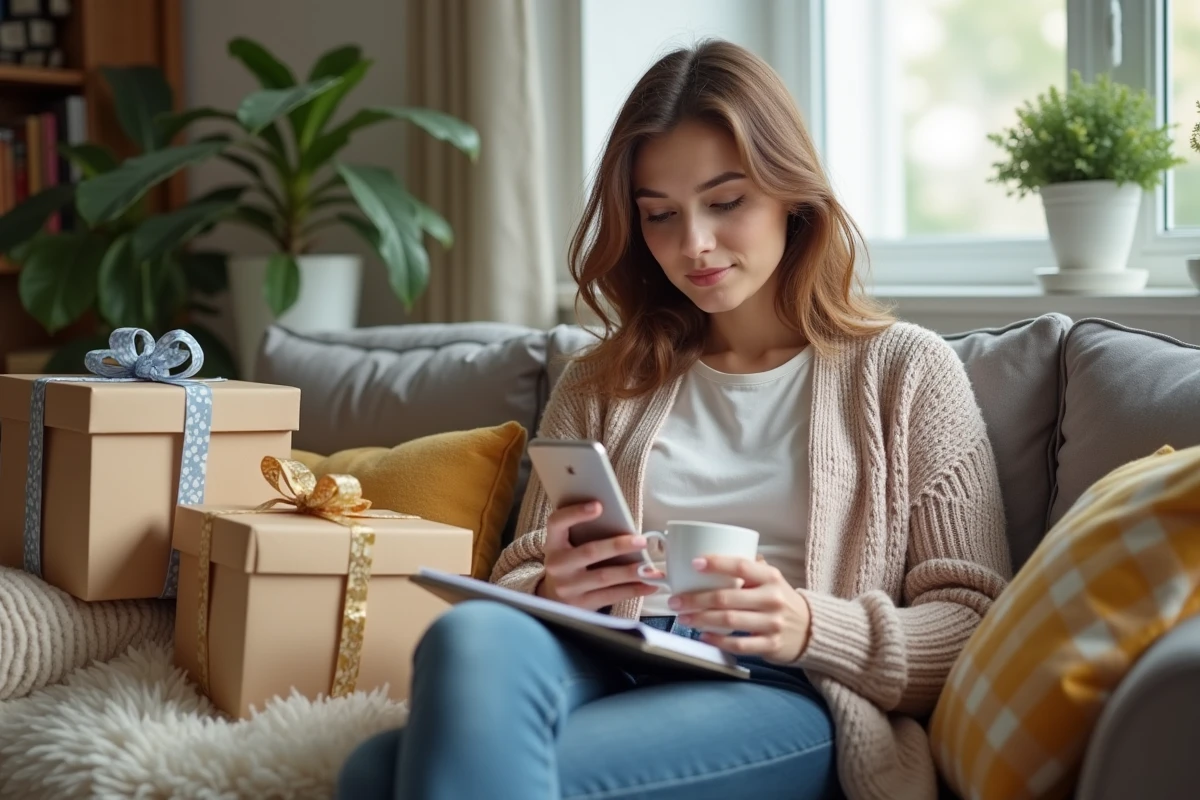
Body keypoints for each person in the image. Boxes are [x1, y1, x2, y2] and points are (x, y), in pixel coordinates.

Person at [336, 38, 1011, 800]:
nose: (693, 245)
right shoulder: (602, 380)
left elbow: (974, 623)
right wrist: (556, 589)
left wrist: (808, 626)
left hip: (788, 688)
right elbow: (522, 570)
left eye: (726, 203)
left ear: (793, 198)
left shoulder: (907, 373)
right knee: (471, 632)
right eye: (660, 216)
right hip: (605, 657)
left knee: (377, 777)